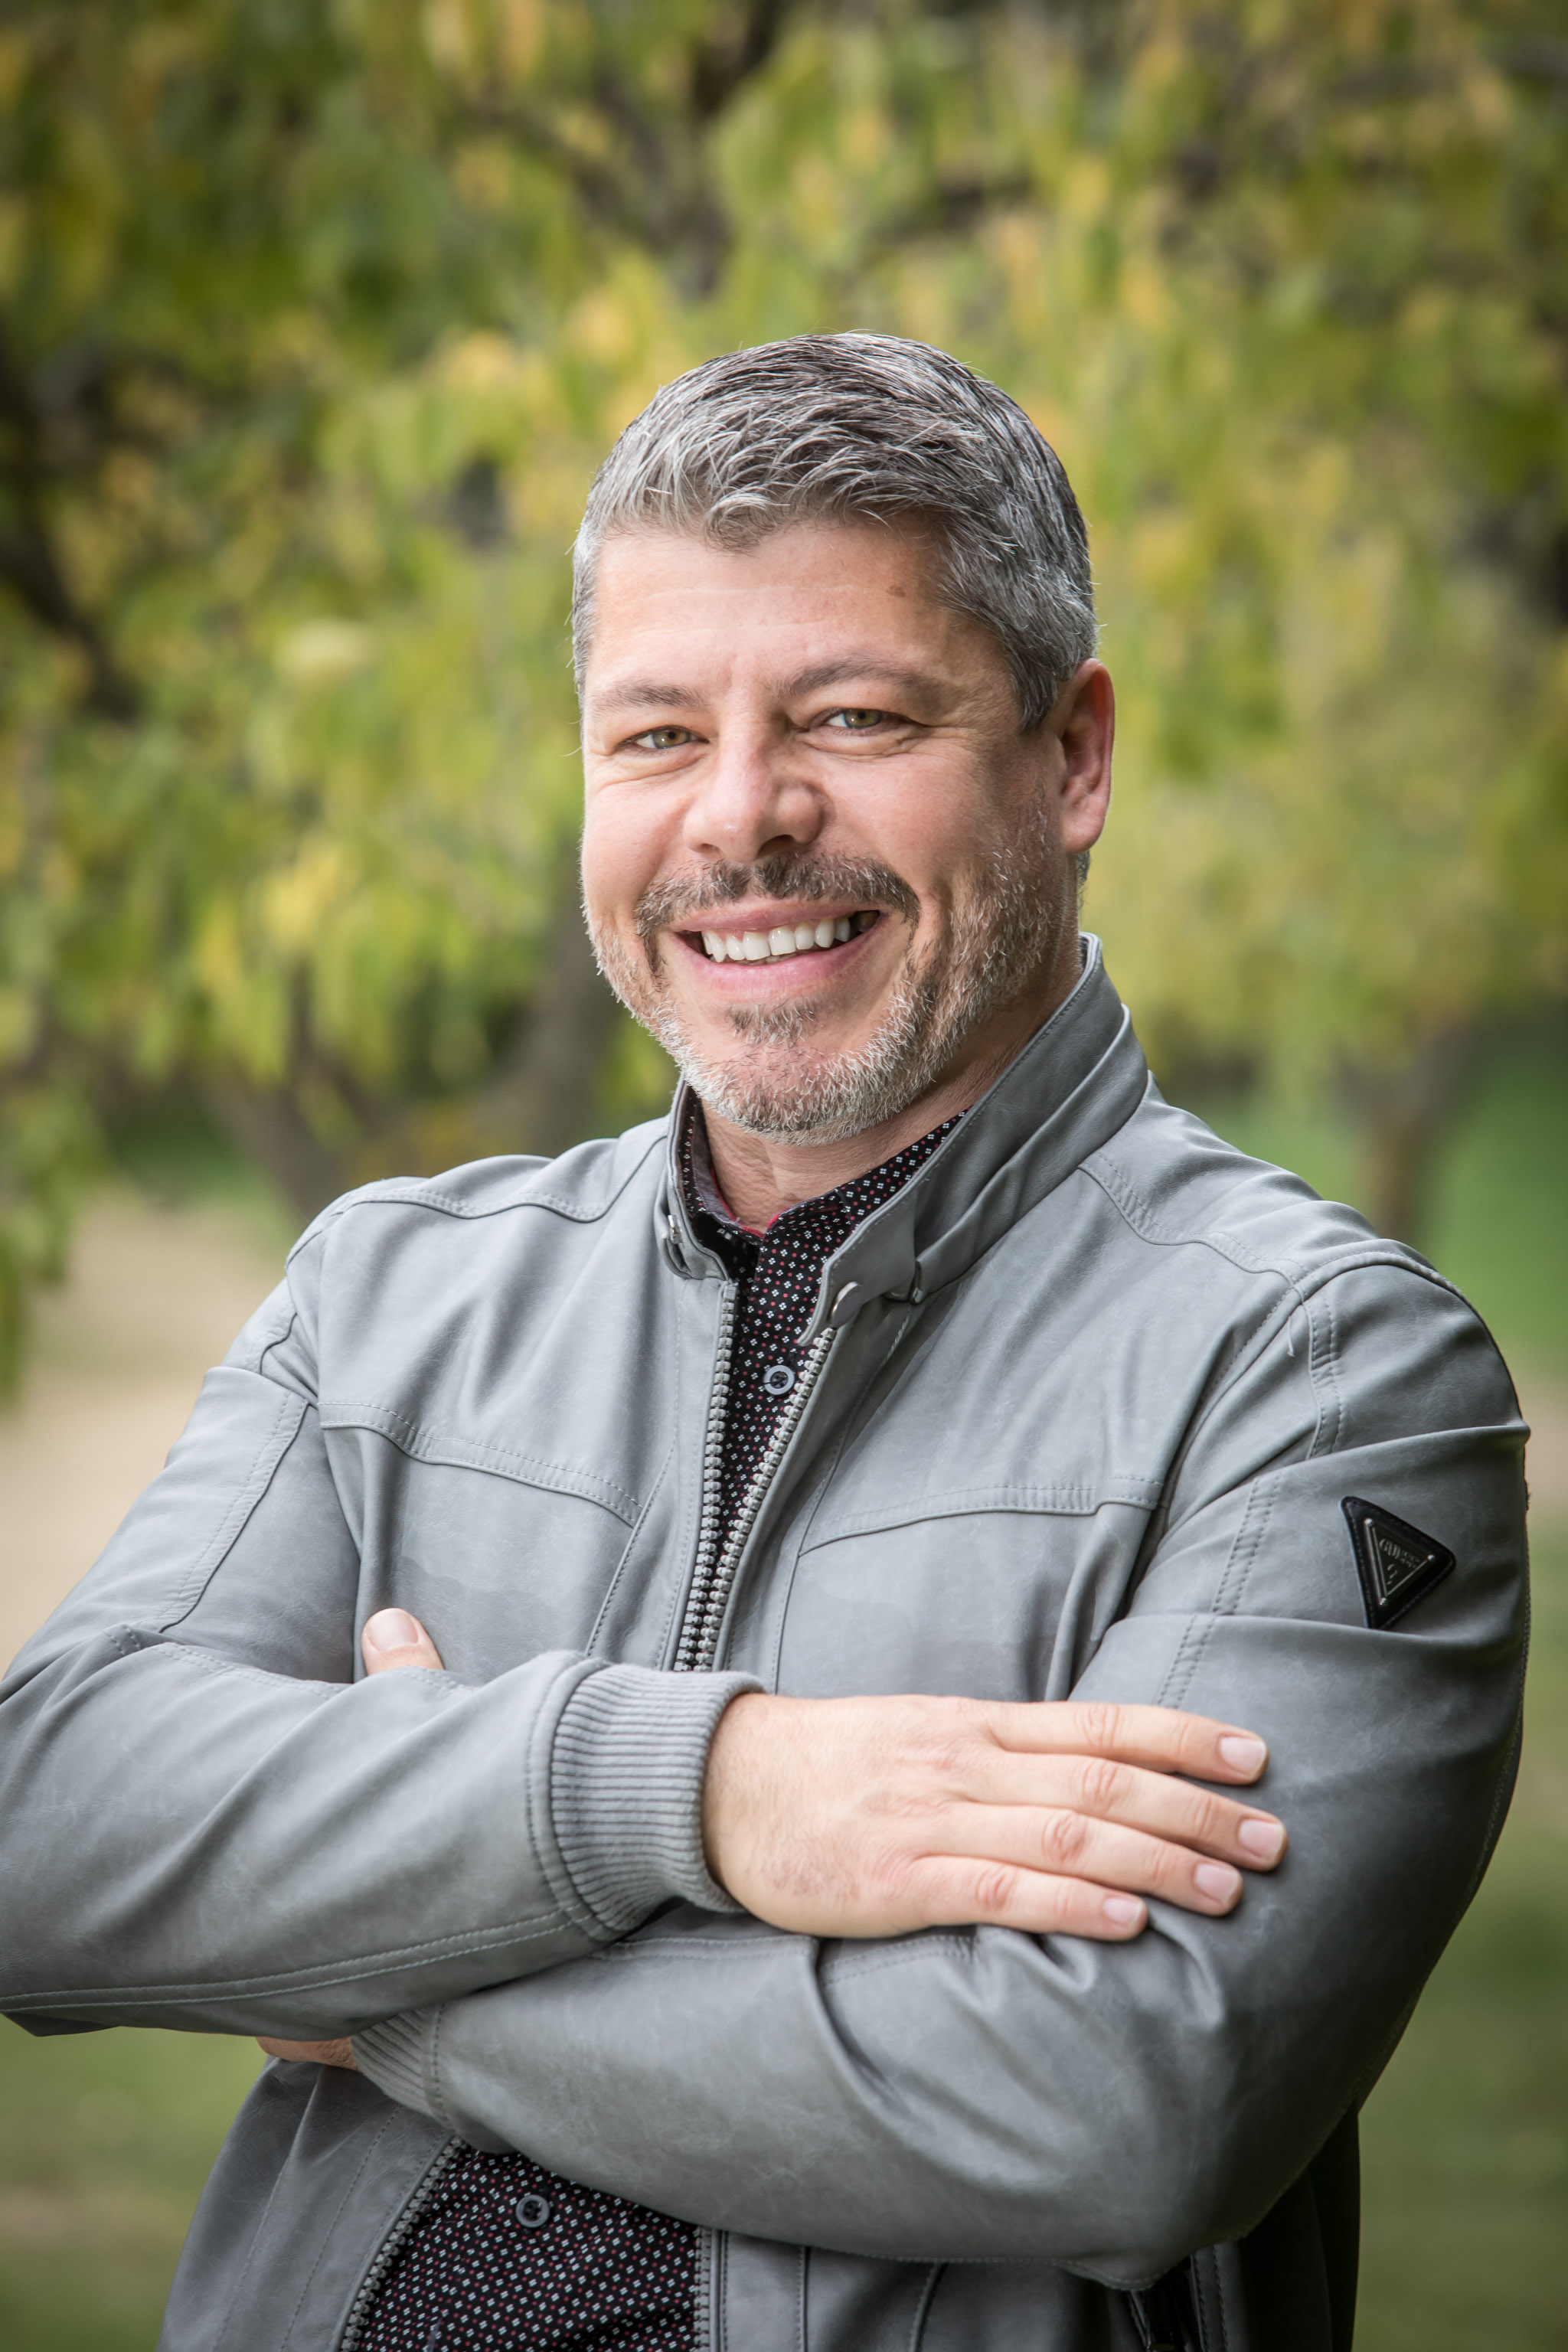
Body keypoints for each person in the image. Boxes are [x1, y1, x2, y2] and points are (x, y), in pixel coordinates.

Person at [0, 335, 1527, 2352]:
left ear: (1073, 759)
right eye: (654, 736)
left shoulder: (1325, 1374)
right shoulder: (391, 1295)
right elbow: (50, 1832)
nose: (739, 819)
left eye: (853, 715)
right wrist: (699, 1793)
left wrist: (384, 1977)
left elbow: (1125, 2103)